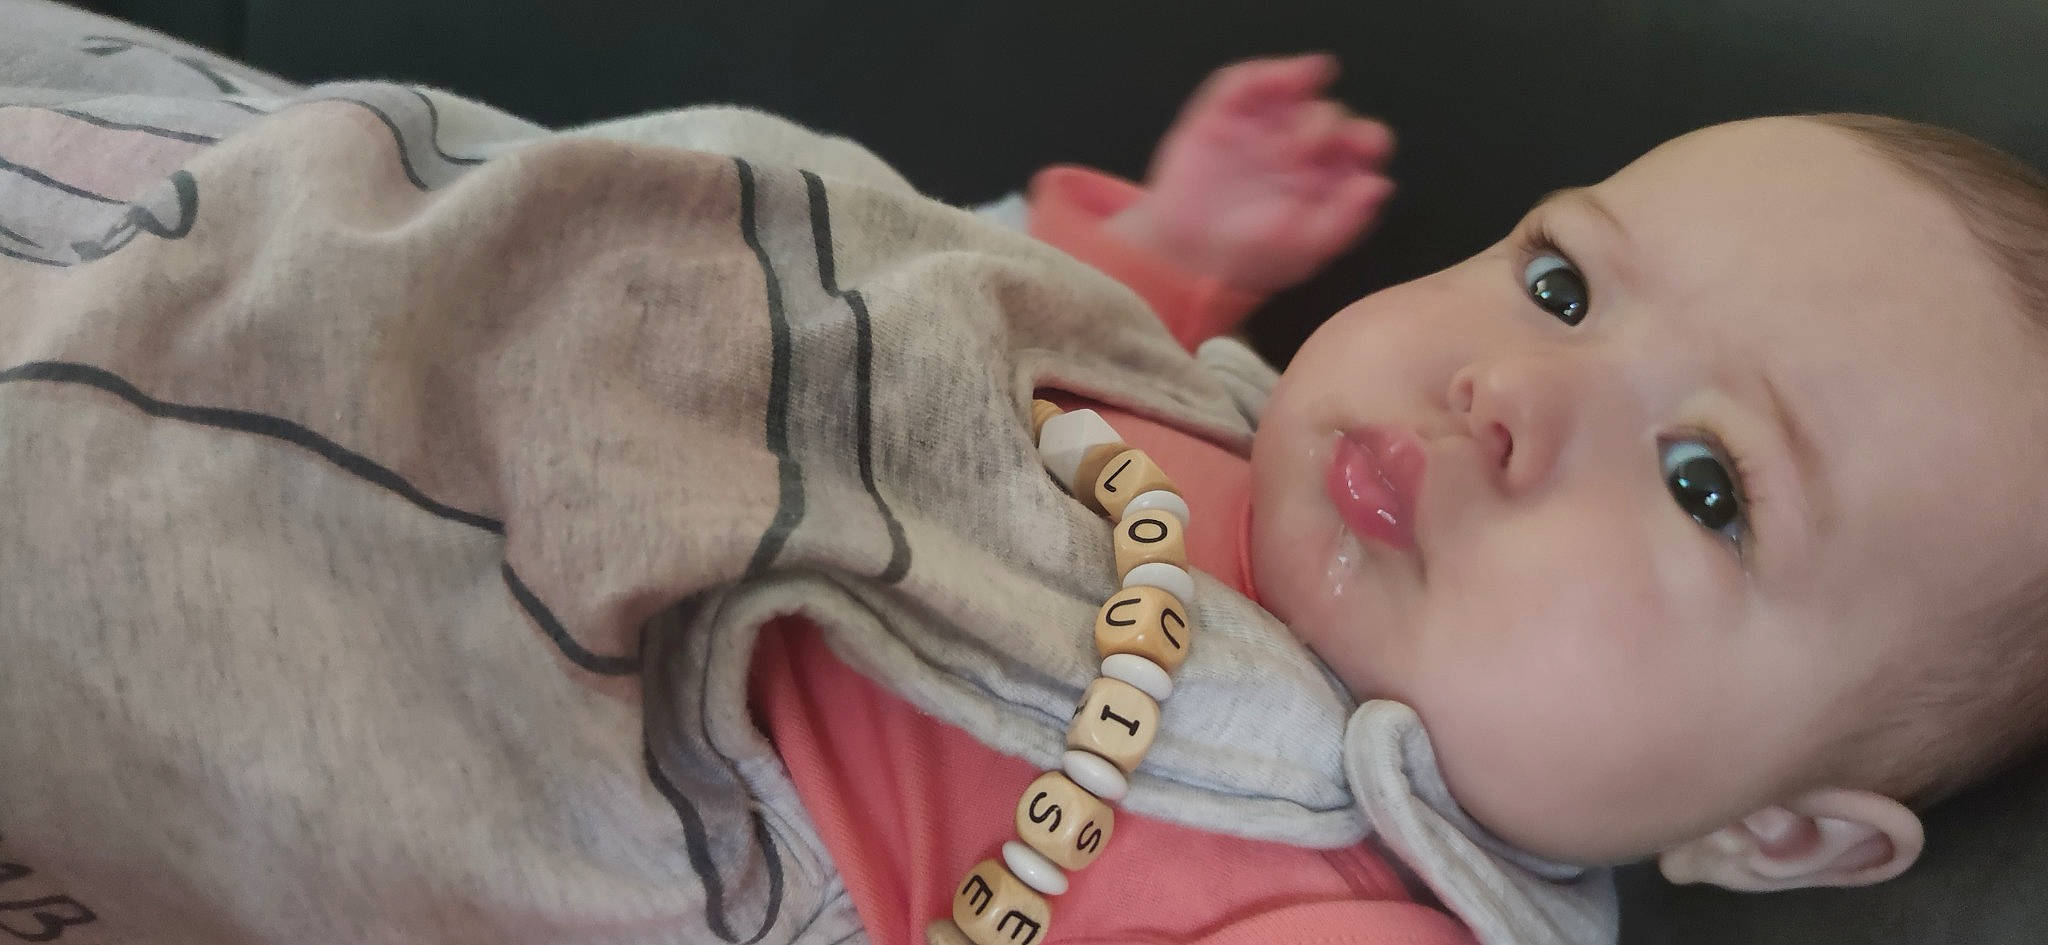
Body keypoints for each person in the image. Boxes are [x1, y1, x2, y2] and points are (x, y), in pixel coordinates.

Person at [5, 2, 2047, 941]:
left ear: (1775, 833)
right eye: (1560, 280)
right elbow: (960, 343)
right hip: (393, 257)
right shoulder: (1238, 422)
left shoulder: (1347, 890)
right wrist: (1165, 256)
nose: (1514, 393)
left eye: (1705, 483)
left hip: (392, 634)